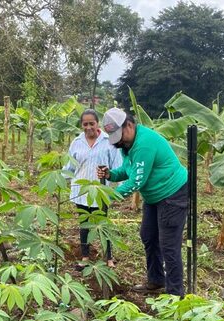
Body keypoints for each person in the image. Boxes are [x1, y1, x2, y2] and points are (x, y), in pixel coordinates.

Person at [98, 107, 188, 297]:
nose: (119, 142)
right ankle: (156, 281)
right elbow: (129, 169)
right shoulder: (127, 145)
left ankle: (175, 295)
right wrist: (111, 174)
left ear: (129, 125)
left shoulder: (144, 143)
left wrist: (111, 196)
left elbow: (138, 181)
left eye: (119, 135)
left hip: (172, 192)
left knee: (169, 245)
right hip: (154, 196)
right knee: (148, 235)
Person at [63, 109, 122, 269]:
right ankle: (85, 257)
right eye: (85, 124)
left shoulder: (109, 141)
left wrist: (121, 190)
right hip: (80, 190)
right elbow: (70, 167)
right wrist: (58, 180)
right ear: (81, 125)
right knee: (84, 224)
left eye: (92, 123)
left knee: (102, 224)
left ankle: (108, 257)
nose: (88, 127)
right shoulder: (76, 142)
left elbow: (118, 165)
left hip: (101, 190)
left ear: (98, 124)